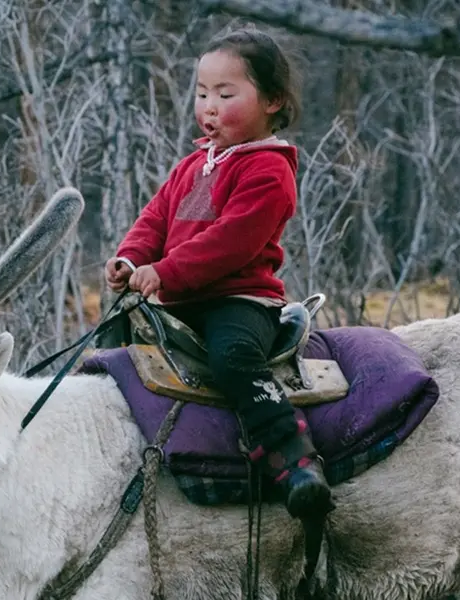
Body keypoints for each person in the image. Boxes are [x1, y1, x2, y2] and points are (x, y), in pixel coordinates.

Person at [104, 27, 333, 519]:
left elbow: (232, 243)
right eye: (202, 93)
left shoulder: (269, 170)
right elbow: (155, 219)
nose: (209, 105)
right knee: (116, 344)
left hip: (240, 299)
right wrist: (130, 259)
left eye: (226, 94)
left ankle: (295, 460)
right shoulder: (192, 166)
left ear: (272, 100)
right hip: (181, 297)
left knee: (233, 358)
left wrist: (165, 271)